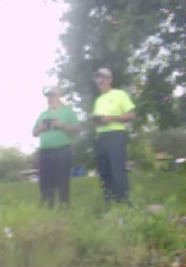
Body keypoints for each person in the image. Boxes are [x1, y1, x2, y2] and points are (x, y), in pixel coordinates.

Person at [91, 68, 136, 203]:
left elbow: (131, 115)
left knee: (117, 169)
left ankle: (123, 201)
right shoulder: (98, 100)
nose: (99, 81)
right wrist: (95, 121)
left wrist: (112, 118)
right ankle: (109, 201)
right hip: (101, 137)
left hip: (116, 135)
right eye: (97, 79)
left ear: (110, 79)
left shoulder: (120, 94)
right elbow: (97, 121)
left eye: (102, 78)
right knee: (104, 171)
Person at [33, 86, 81, 207]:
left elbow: (78, 128)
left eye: (53, 94)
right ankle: (47, 206)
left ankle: (64, 206)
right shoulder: (43, 114)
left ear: (59, 96)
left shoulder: (67, 112)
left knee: (62, 179)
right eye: (48, 95)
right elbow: (34, 133)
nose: (50, 97)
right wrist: (41, 128)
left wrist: (61, 125)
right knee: (45, 181)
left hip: (62, 149)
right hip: (45, 151)